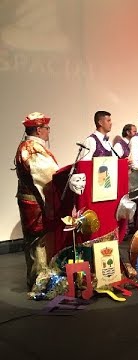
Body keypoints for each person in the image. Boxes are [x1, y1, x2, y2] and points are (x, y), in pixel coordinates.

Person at [14, 112, 59, 289]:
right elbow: (47, 177)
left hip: (31, 199)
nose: (49, 132)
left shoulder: (28, 146)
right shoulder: (32, 148)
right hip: (35, 202)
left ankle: (40, 277)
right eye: (47, 128)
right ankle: (40, 281)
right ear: (39, 130)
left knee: (37, 239)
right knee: (37, 240)